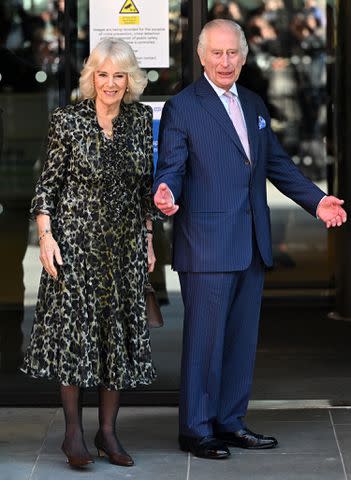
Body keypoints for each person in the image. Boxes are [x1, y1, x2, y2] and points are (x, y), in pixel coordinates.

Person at [153, 19, 347, 460]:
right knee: (204, 342)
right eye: (216, 53)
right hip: (206, 243)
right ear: (201, 56)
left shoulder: (255, 103)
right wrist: (165, 192)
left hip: (251, 241)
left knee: (240, 341)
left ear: (243, 56)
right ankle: (196, 429)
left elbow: (276, 164)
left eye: (232, 53)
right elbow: (171, 167)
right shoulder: (184, 107)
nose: (225, 62)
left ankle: (230, 421)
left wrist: (316, 202)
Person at [21, 38, 157, 468]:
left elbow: (144, 187)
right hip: (75, 246)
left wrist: (149, 237)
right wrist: (46, 237)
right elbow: (47, 186)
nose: (111, 83)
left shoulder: (139, 119)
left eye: (119, 75)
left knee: (114, 340)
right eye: (103, 74)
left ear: (130, 79)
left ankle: (108, 433)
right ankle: (74, 435)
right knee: (76, 340)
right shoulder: (68, 121)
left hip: (124, 248)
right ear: (91, 78)